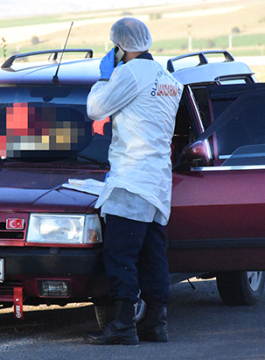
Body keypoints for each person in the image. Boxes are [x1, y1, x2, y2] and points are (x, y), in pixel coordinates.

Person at [84, 17, 183, 345]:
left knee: (120, 253)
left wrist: (104, 77)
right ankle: (156, 322)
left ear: (119, 46)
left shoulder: (129, 72)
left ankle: (123, 324)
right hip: (157, 182)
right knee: (153, 253)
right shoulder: (168, 78)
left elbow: (96, 109)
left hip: (131, 178)